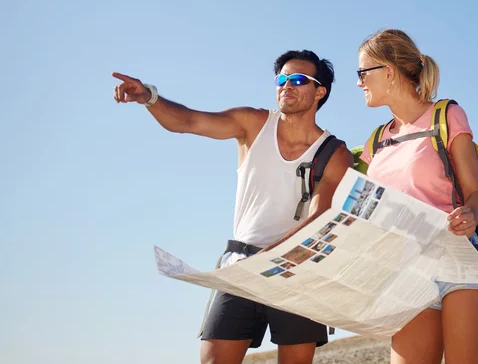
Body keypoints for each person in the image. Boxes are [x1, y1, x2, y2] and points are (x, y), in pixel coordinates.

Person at [112, 50, 354, 364]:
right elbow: (188, 121)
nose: (286, 86)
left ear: (319, 91)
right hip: (241, 267)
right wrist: (148, 97)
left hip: (298, 272)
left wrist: (275, 254)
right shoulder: (252, 123)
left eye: (297, 80)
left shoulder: (335, 152)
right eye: (281, 79)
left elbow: (321, 217)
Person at [356, 29, 478, 364]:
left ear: (388, 72)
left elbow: (476, 192)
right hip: (405, 271)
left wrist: (471, 214)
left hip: (459, 263)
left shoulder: (446, 115)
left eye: (363, 72)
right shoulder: (375, 141)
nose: (359, 82)